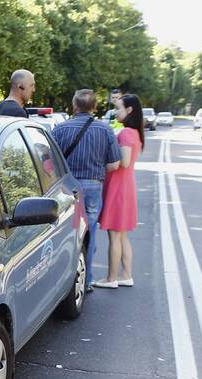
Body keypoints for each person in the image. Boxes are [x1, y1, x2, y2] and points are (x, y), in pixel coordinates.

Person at [51, 89, 121, 289]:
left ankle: (60, 282)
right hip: (92, 187)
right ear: (95, 107)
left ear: (74, 106)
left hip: (66, 186)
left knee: (63, 233)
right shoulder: (105, 130)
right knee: (87, 233)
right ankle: (86, 280)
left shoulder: (60, 129)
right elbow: (114, 164)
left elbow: (48, 160)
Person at [93, 93, 145, 289]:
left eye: (119, 108)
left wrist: (103, 164)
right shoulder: (135, 133)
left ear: (129, 110)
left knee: (114, 236)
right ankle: (126, 275)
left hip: (118, 188)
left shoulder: (125, 133)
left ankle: (111, 278)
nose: (115, 112)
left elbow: (122, 162)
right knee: (122, 235)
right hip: (126, 186)